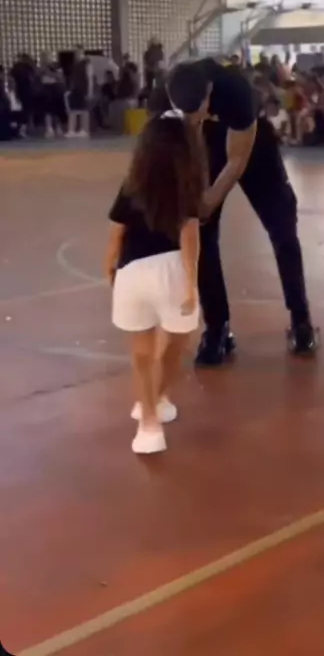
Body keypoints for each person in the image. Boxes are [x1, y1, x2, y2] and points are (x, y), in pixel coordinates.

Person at [162, 57, 318, 367]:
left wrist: (209, 200)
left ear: (209, 92)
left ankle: (300, 319)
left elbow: (237, 161)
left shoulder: (235, 91)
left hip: (251, 143)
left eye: (199, 110)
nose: (195, 116)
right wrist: (194, 202)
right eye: (187, 113)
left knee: (283, 227)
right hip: (208, 145)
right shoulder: (176, 95)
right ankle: (217, 328)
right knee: (203, 234)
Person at [105, 111, 203, 454]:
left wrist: (109, 267)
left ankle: (148, 423)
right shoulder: (188, 187)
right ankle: (158, 399)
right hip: (172, 271)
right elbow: (190, 238)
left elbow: (117, 232)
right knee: (176, 344)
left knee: (141, 352)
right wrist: (191, 283)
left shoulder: (131, 185)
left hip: (132, 272)